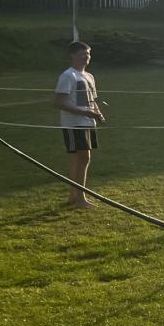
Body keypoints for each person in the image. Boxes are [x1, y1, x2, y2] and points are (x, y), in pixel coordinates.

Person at [53, 40, 104, 209]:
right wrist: (85, 113)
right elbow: (59, 102)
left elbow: (92, 99)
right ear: (72, 55)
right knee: (83, 158)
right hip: (74, 124)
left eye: (87, 54)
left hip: (88, 122)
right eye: (82, 54)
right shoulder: (68, 75)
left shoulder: (89, 76)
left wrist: (97, 113)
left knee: (79, 159)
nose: (85, 57)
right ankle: (80, 199)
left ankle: (73, 196)